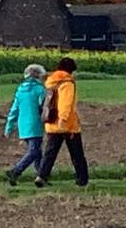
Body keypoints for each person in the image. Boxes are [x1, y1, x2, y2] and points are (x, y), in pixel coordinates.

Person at [34, 57, 88, 188]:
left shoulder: (50, 81)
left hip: (51, 123)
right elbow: (66, 103)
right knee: (77, 154)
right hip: (67, 125)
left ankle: (41, 176)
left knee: (50, 153)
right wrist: (63, 119)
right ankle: (82, 180)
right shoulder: (67, 83)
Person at [4, 63, 48, 186]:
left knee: (37, 152)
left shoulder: (20, 90)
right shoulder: (40, 90)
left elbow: (14, 109)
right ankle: (16, 170)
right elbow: (44, 107)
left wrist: (9, 125)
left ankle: (41, 177)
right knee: (34, 151)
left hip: (23, 125)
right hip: (35, 124)